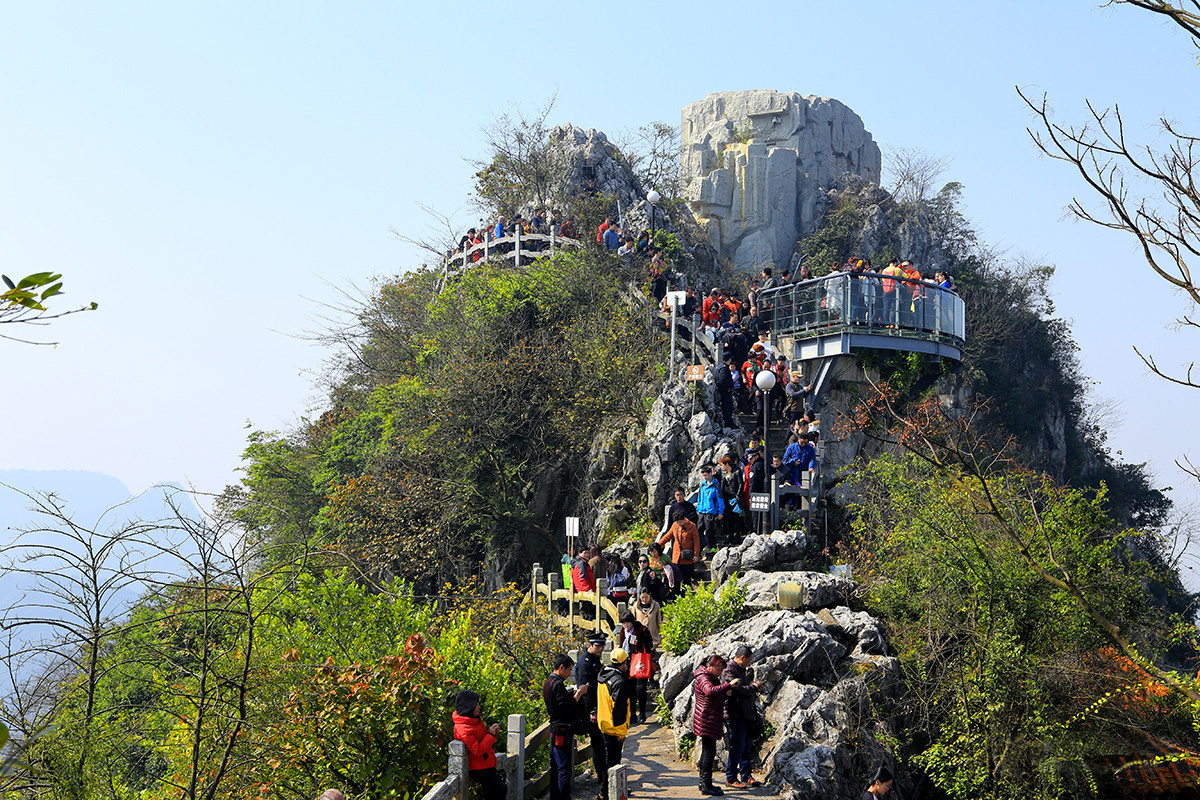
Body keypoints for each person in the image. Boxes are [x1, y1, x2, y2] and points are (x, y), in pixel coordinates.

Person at [544, 654, 588, 800]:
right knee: (564, 768)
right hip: (561, 729)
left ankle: (555, 797)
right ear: (561, 667)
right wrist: (579, 693)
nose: (570, 673)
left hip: (555, 727)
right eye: (569, 670)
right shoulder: (557, 684)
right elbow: (566, 707)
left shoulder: (548, 682)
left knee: (556, 767)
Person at [722, 645, 766, 789]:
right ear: (742, 658)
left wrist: (752, 686)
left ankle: (746, 775)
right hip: (734, 714)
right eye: (749, 660)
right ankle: (731, 778)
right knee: (737, 746)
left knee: (746, 746)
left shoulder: (740, 670)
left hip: (745, 713)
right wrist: (753, 687)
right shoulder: (729, 670)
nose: (750, 663)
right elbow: (736, 691)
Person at [692, 654, 735, 796]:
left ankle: (704, 783)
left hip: (708, 717)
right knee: (709, 752)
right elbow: (709, 691)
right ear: (710, 666)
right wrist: (728, 685)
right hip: (706, 718)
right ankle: (706, 785)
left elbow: (714, 693)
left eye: (722, 669)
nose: (720, 671)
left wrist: (725, 691)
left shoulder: (709, 676)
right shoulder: (704, 677)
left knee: (707, 751)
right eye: (718, 668)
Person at [453, 690, 507, 800]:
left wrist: (491, 733)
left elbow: (482, 740)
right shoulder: (463, 728)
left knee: (497, 791)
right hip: (479, 768)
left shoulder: (474, 720)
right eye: (476, 704)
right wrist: (490, 735)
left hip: (485, 764)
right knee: (500, 788)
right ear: (469, 706)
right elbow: (477, 750)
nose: (479, 707)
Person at [596, 649, 632, 800]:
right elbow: (619, 711)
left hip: (603, 724)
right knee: (613, 762)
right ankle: (605, 793)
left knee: (608, 761)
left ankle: (614, 788)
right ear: (624, 662)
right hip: (614, 729)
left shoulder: (602, 675)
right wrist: (622, 733)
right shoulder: (619, 682)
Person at [574, 634, 607, 785]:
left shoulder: (594, 660)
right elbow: (585, 690)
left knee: (601, 741)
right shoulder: (585, 663)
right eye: (598, 646)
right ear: (590, 645)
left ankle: (603, 773)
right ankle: (601, 775)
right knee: (598, 742)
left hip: (600, 705)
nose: (601, 649)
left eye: (602, 646)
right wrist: (592, 711)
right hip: (591, 708)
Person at [615, 611, 653, 724]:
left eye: (627, 623)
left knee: (641, 688)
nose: (625, 626)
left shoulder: (642, 630)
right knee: (630, 690)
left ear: (632, 622)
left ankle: (642, 713)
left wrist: (639, 643)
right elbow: (621, 645)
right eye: (623, 623)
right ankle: (632, 714)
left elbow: (649, 645)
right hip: (627, 663)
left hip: (640, 661)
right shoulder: (623, 632)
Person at [657, 509, 702, 585]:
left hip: (687, 558)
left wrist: (696, 554)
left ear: (684, 519)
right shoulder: (675, 525)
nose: (679, 523)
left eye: (680, 521)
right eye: (677, 522)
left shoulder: (692, 526)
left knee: (686, 580)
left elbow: (696, 541)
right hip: (676, 558)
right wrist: (657, 545)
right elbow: (667, 537)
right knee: (676, 579)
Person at [695, 466, 726, 548]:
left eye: (706, 475)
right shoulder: (702, 484)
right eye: (703, 475)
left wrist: (720, 512)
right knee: (699, 530)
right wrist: (698, 508)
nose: (705, 477)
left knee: (710, 530)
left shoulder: (716, 485)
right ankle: (701, 548)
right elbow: (700, 498)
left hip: (710, 511)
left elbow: (719, 499)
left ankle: (712, 547)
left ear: (710, 473)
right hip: (701, 510)